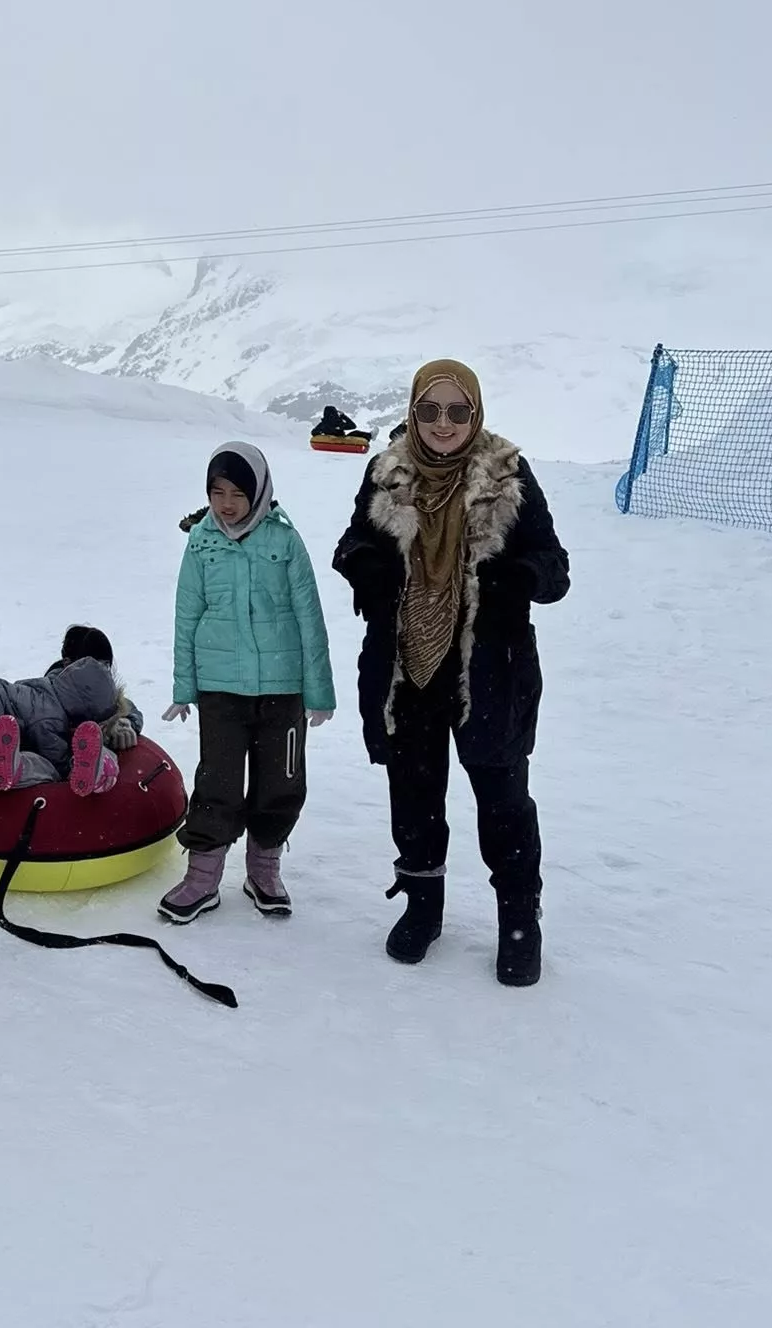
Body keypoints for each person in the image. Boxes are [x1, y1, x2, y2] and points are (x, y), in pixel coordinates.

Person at [331, 359, 569, 988]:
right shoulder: (387, 474)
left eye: (457, 411)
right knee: (413, 796)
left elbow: (554, 564)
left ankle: (519, 920)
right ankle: (422, 906)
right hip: (406, 668)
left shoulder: (508, 475)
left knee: (502, 800)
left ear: (475, 413)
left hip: (490, 670)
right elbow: (352, 542)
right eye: (430, 410)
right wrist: (365, 565)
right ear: (413, 413)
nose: (443, 423)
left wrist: (519, 579)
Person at [159, 444, 334, 924]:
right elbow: (186, 615)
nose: (227, 504)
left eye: (238, 493)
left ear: (259, 493)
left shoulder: (285, 540)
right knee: (217, 783)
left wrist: (319, 691)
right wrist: (184, 687)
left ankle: (264, 871)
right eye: (217, 492)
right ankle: (202, 878)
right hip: (221, 689)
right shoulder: (202, 542)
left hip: (283, 688)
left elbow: (309, 617)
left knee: (281, 783)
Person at [0, 626, 142, 795]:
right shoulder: (56, 712)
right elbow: (54, 752)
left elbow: (124, 707)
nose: (105, 674)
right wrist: (66, 768)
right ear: (67, 663)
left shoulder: (62, 688)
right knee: (38, 764)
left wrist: (127, 722)